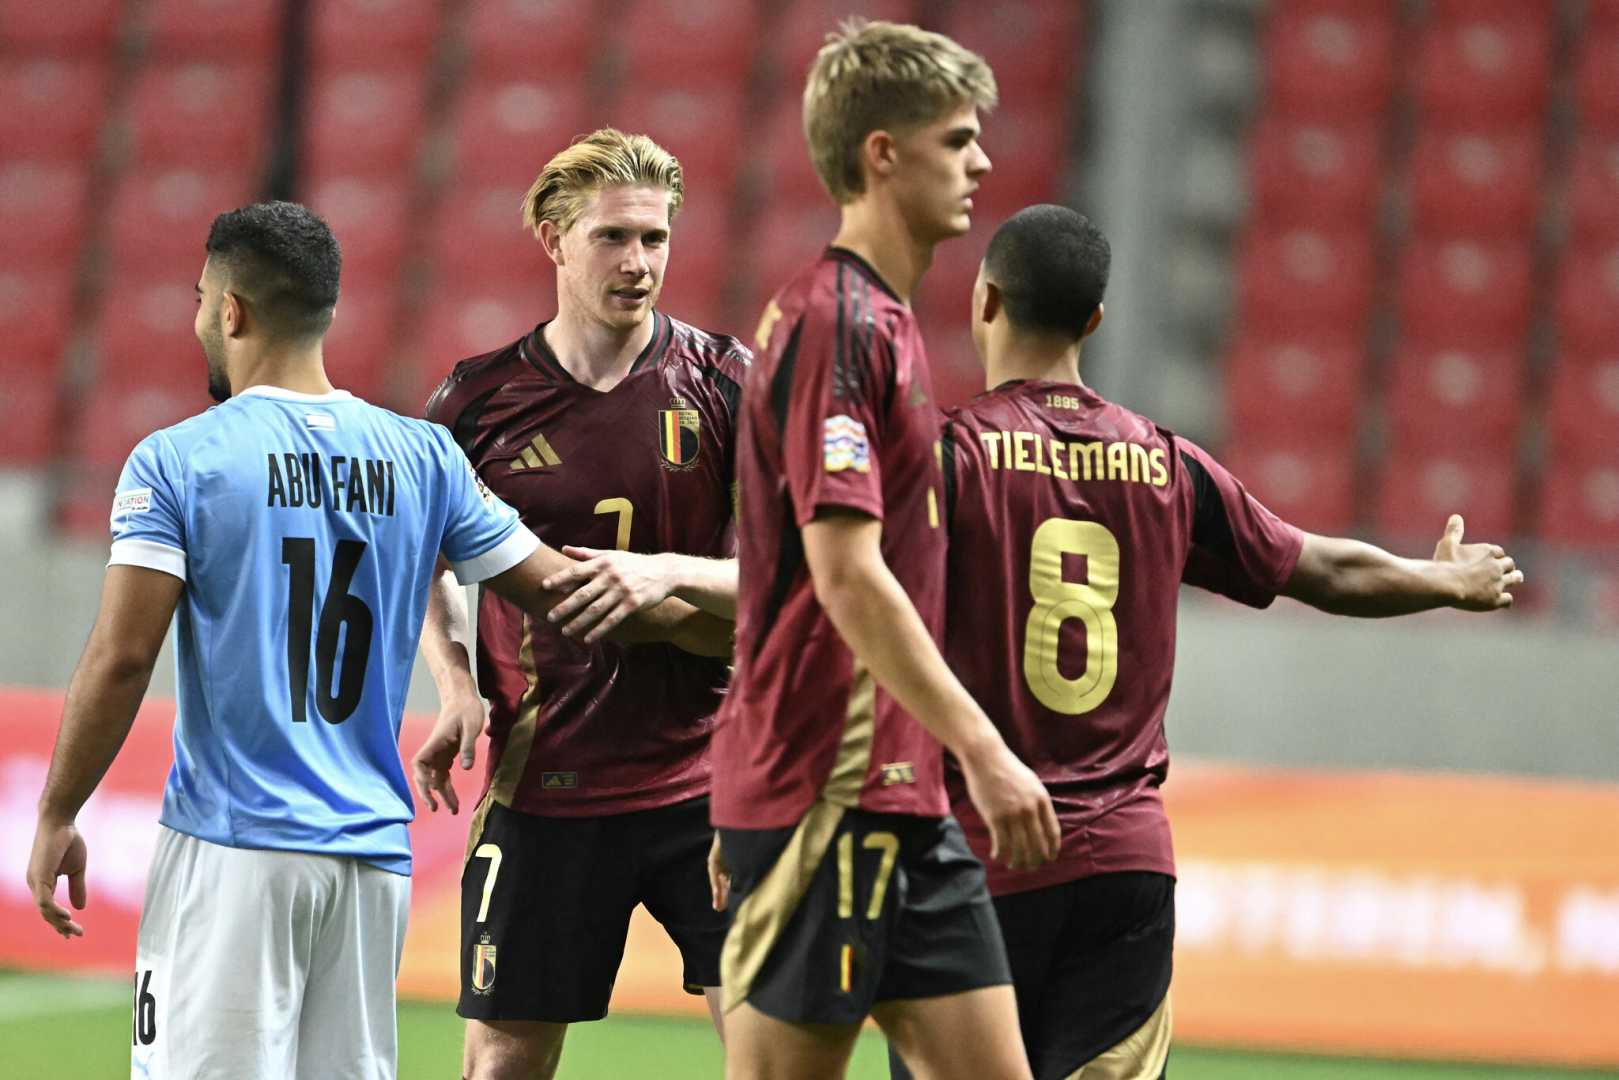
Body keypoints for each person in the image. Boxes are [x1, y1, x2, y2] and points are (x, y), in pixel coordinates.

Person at [22, 201, 728, 1080]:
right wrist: (719, 604)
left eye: (202, 297)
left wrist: (57, 811)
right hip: (368, 860)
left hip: (236, 843)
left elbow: (123, 657)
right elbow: (564, 588)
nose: (199, 316)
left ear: (231, 310)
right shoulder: (421, 456)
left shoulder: (176, 461)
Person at [897, 204, 1523, 1080]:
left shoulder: (946, 459)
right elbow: (1322, 570)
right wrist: (1444, 581)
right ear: (1094, 320)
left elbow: (847, 592)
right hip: (1124, 869)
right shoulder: (1166, 464)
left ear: (985, 301)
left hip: (978, 858)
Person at [707, 20, 1061, 1080]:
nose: (981, 163)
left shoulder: (890, 325)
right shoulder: (836, 323)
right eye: (956, 140)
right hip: (821, 785)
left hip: (903, 799)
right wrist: (987, 750)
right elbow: (847, 575)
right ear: (880, 153)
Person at [411, 128, 749, 1080]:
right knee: (503, 1067)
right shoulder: (476, 404)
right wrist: (456, 681)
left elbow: (811, 578)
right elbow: (423, 560)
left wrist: (670, 573)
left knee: (777, 1059)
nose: (639, 262)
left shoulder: (729, 384)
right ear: (553, 239)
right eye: (613, 238)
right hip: (545, 780)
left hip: (713, 780)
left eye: (655, 237)